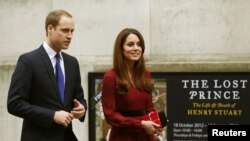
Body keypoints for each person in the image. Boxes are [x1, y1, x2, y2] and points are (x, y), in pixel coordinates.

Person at [7, 9, 87, 141]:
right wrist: (52, 115)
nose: (70, 36)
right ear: (50, 28)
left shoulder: (72, 63)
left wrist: (82, 108)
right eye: (65, 30)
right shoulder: (28, 61)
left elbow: (79, 98)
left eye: (72, 31)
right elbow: (15, 104)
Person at [101, 28, 162, 141]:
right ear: (120, 49)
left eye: (139, 44)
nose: (136, 48)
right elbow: (111, 116)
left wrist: (156, 121)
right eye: (130, 44)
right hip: (123, 136)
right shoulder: (110, 77)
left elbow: (149, 108)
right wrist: (140, 123)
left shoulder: (145, 74)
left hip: (146, 136)